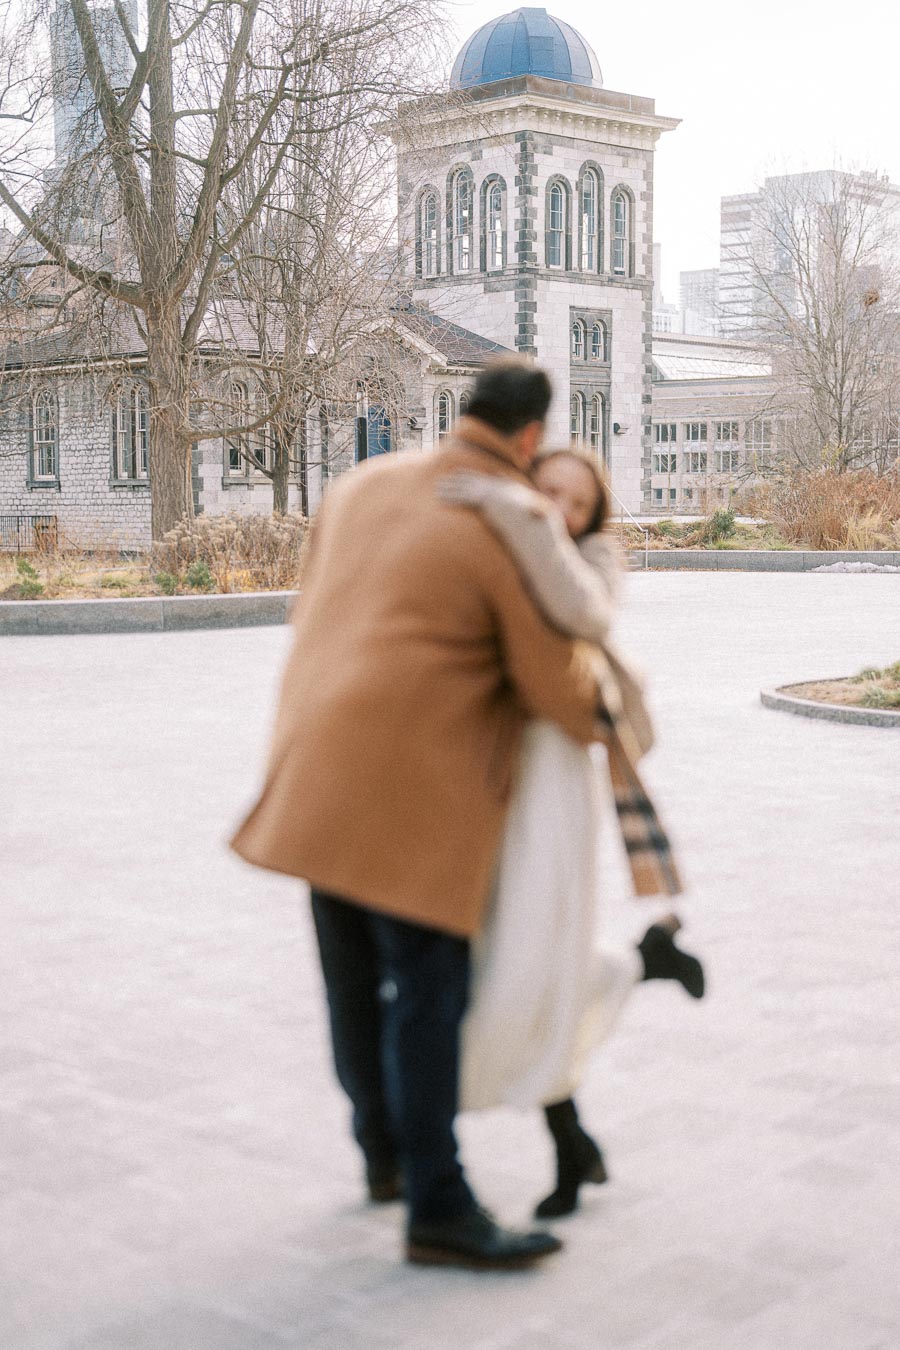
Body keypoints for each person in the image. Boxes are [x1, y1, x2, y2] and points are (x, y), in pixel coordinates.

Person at [229, 360, 611, 1270]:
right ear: (529, 437)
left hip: (317, 773)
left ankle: (386, 1161)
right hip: (417, 805)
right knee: (427, 1001)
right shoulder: (497, 518)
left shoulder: (364, 483)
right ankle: (440, 1206)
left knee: (353, 990)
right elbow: (557, 687)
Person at [439, 448, 705, 1218]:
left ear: (592, 518)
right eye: (545, 491)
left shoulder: (590, 560)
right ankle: (640, 974)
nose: (556, 508)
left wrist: (519, 517)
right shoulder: (500, 541)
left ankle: (568, 1145)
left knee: (527, 967)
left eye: (575, 502)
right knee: (516, 963)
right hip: (490, 780)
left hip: (553, 782)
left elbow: (578, 612)